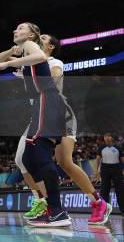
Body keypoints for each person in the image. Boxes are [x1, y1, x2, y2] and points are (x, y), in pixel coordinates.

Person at [6, 33, 111, 224]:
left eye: (44, 37)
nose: (39, 38)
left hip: (60, 113)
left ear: (51, 46)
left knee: (65, 162)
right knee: (22, 159)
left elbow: (55, 75)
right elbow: (2, 59)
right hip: (39, 114)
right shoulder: (31, 64)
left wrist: (43, 82)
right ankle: (46, 203)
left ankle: (98, 202)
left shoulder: (52, 61)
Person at [0, 22, 71, 227]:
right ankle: (50, 207)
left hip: (47, 100)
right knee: (28, 157)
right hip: (42, 104)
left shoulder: (31, 45)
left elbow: (39, 57)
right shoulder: (26, 51)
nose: (15, 30)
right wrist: (10, 54)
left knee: (38, 154)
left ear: (32, 34)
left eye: (20, 28)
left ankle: (57, 210)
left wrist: (6, 64)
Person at [96, 133, 124, 213]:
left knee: (120, 190)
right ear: (104, 138)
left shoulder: (118, 147)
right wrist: (96, 171)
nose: (107, 138)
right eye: (105, 136)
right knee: (104, 190)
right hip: (105, 169)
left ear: (112, 138)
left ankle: (123, 210)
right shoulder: (101, 147)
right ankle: (104, 210)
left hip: (116, 169)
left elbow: (122, 159)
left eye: (109, 136)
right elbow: (98, 159)